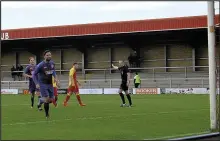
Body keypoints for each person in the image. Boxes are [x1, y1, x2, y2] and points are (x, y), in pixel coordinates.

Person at [33, 50, 58, 119]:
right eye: (47, 55)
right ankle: (47, 115)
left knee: (52, 99)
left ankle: (40, 100)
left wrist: (56, 78)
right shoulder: (40, 65)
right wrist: (36, 83)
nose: (49, 56)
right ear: (44, 56)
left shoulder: (52, 63)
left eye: (50, 55)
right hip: (43, 84)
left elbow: (53, 72)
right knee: (47, 99)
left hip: (50, 84)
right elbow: (34, 75)